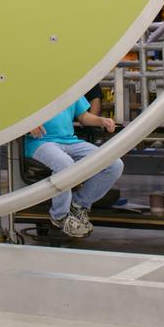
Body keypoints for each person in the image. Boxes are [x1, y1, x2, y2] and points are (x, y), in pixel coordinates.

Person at [25, 96, 122, 238]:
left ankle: (77, 205)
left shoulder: (71, 86)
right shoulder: (32, 87)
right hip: (40, 142)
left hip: (70, 141)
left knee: (114, 164)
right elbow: (13, 116)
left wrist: (101, 120)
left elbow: (83, 116)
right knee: (65, 165)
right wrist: (28, 124)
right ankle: (60, 216)